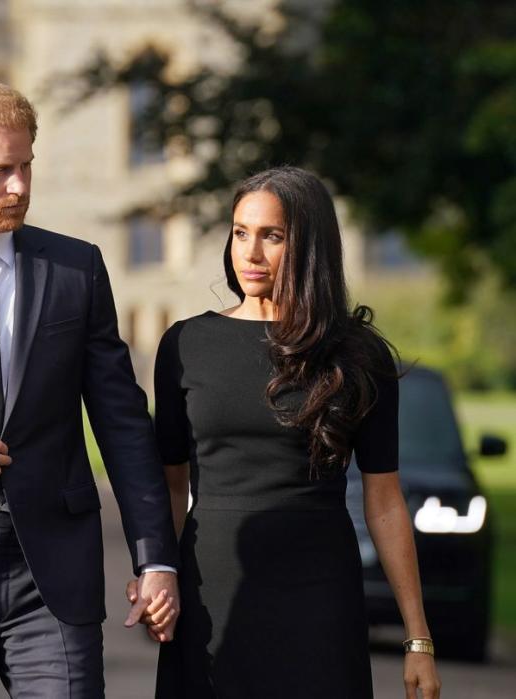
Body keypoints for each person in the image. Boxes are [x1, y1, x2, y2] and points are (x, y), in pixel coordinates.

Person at [0, 80, 181, 698]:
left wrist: (155, 557)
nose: (20, 186)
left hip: (49, 571)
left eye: (26, 167)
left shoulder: (76, 270)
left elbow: (123, 424)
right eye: (0, 171)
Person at [149, 166, 441, 698]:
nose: (250, 253)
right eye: (240, 232)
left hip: (319, 595)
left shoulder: (357, 355)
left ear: (309, 246)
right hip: (211, 589)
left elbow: (384, 501)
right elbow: (170, 485)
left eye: (272, 236)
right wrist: (156, 573)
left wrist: (417, 637)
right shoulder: (185, 345)